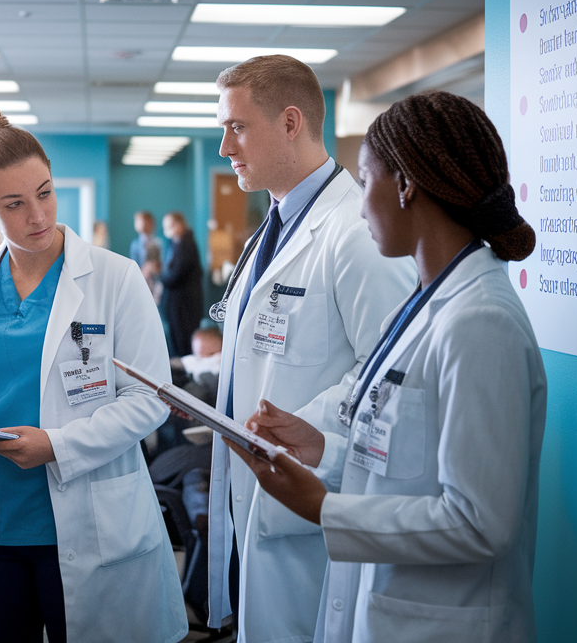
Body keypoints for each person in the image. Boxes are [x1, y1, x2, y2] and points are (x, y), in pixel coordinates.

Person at [230, 91, 546, 643]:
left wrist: (327, 510)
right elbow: (407, 453)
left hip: (447, 622)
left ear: (404, 186)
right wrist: (319, 446)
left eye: (365, 179)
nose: (357, 204)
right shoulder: (431, 298)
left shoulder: (480, 322)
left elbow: (480, 523)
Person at [0, 105, 187, 643]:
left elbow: (150, 398)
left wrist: (58, 445)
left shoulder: (115, 278)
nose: (37, 216)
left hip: (90, 522)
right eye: (14, 204)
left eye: (45, 193)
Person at [207, 55, 417, 643]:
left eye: (237, 127)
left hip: (317, 510)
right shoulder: (271, 230)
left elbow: (393, 379)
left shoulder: (356, 232)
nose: (226, 146)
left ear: (291, 122)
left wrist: (310, 432)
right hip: (263, 499)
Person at [158, 211, 204, 357]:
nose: (167, 230)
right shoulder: (175, 244)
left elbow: (176, 275)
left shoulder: (186, 244)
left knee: (183, 342)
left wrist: (159, 276)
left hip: (185, 306)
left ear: (179, 225)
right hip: (177, 303)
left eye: (170, 226)